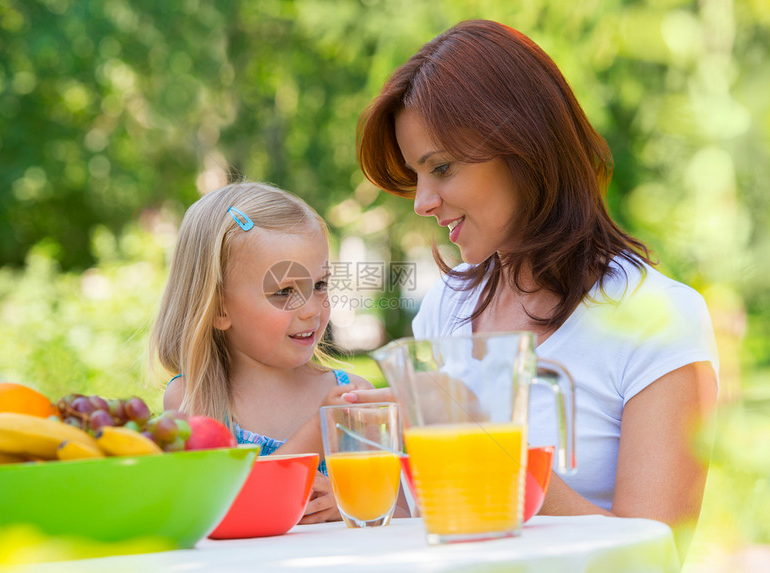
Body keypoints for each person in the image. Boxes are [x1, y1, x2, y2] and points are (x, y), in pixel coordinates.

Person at [350, 19, 718, 556]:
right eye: (416, 175)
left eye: (442, 168)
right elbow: (432, 526)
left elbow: (655, 559)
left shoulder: (660, 319)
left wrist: (478, 439)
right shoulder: (444, 310)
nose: (422, 202)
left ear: (522, 146)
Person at [149, 181, 374, 524]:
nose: (313, 309)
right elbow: (223, 511)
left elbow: (402, 513)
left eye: (320, 285)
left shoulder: (355, 397)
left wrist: (350, 503)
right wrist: (320, 425)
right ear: (219, 309)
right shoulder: (194, 401)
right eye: (284, 292)